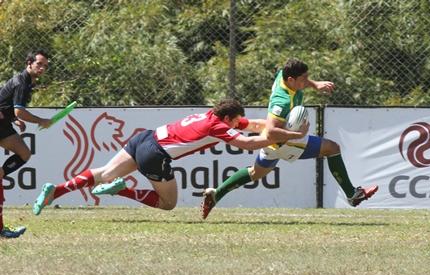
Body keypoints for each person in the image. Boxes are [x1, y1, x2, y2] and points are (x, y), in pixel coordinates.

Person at [32, 99, 308, 214]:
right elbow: (249, 145)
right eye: (237, 121)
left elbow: (256, 126)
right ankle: (123, 191)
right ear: (227, 118)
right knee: (168, 203)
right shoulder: (218, 126)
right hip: (155, 154)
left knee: (104, 172)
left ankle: (56, 190)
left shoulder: (212, 116)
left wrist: (275, 128)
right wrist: (293, 136)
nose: (240, 123)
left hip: (143, 138)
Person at [201, 58, 378, 219]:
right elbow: (271, 133)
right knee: (332, 148)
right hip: (283, 140)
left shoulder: (283, 76)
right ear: (291, 80)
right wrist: (298, 135)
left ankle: (216, 194)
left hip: (275, 143)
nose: (305, 81)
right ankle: (352, 195)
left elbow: (300, 81)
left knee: (255, 173)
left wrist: (314, 84)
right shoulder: (282, 101)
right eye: (303, 79)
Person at [0, 49, 52, 238]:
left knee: (24, 153)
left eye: (45, 66)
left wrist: (14, 119)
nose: (42, 68)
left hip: (3, 124)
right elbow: (19, 111)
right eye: (39, 64)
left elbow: (7, 106)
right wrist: (40, 121)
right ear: (28, 63)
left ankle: (2, 173)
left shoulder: (27, 82)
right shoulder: (22, 81)